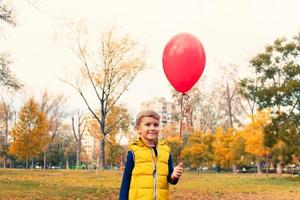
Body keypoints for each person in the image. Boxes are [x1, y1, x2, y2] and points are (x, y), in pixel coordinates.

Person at [119, 110, 184, 200]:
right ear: (138, 129)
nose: (152, 128)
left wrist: (174, 175)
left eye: (156, 125)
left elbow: (170, 179)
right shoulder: (134, 151)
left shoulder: (165, 151)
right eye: (148, 124)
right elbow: (126, 182)